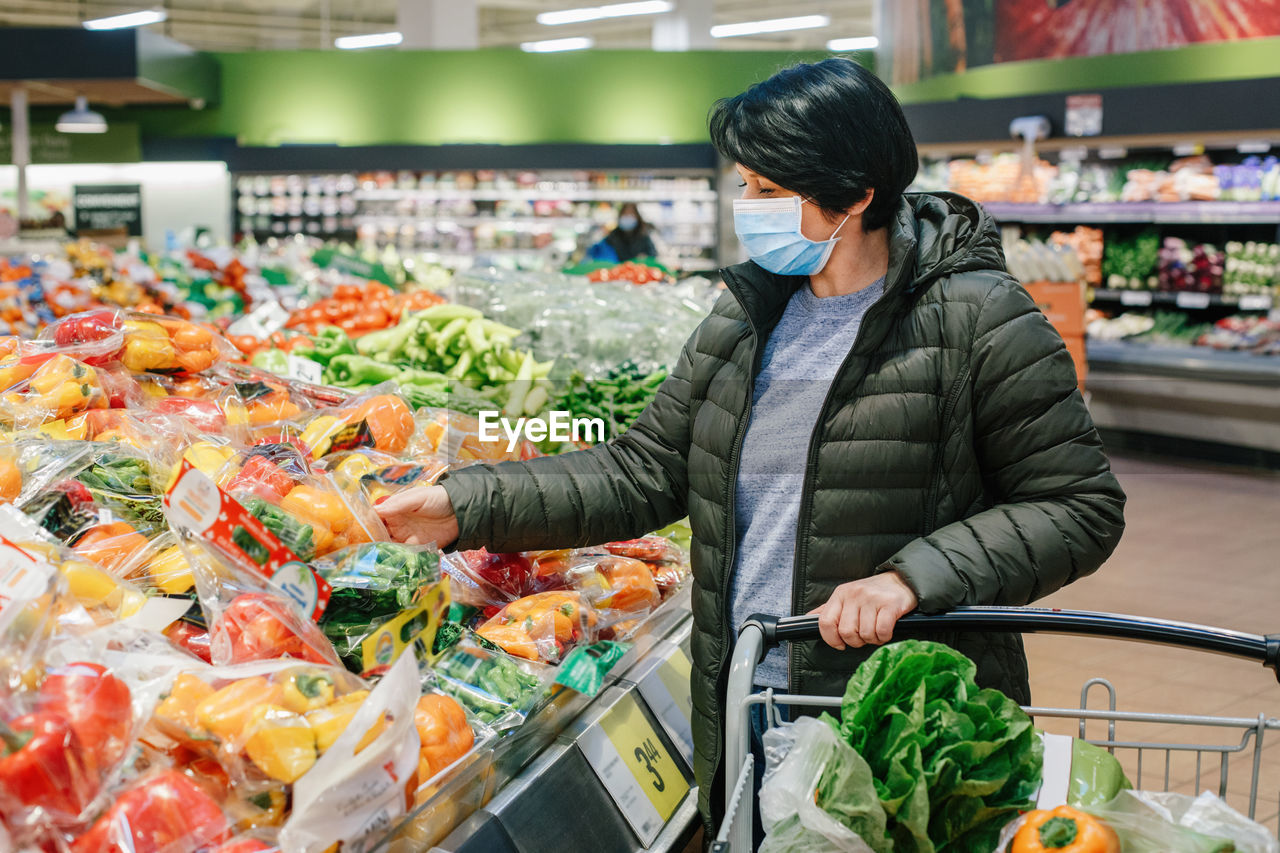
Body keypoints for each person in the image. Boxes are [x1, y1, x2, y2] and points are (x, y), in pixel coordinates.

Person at [377, 57, 1126, 840]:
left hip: (900, 731)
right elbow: (643, 471)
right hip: (746, 703)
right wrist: (464, 505)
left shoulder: (979, 319)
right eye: (744, 187)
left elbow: (1079, 506)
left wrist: (914, 577)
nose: (749, 209)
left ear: (858, 193)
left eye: (771, 192)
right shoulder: (743, 318)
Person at [584, 202, 658, 263]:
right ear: (620, 217)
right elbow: (597, 252)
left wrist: (645, 258)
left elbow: (653, 255)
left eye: (631, 215)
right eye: (625, 215)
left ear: (637, 217)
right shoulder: (613, 236)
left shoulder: (644, 236)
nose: (628, 218)